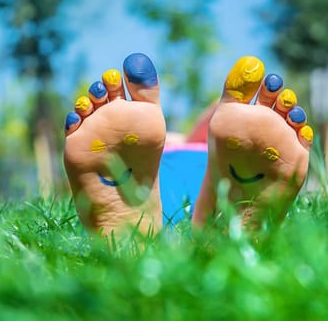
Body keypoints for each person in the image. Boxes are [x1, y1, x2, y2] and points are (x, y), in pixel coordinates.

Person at [63, 53, 312, 236]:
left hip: (159, 171)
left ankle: (125, 240)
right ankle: (229, 240)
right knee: (225, 179)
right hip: (205, 166)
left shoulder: (161, 144)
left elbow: (218, 118)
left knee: (133, 182)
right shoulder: (209, 141)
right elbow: (219, 117)